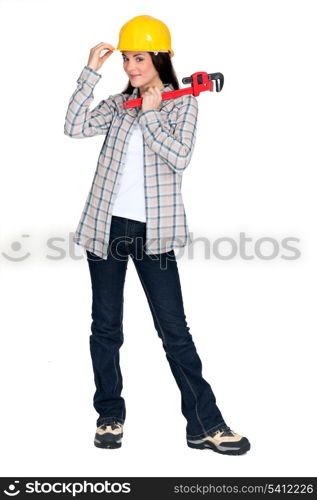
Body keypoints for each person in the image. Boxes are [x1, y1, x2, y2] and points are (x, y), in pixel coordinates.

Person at [64, 15, 250, 455]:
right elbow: (73, 127)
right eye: (127, 58)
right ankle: (109, 416)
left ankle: (205, 425)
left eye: (139, 58)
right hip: (105, 227)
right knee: (105, 328)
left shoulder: (183, 103)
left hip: (156, 234)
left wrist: (150, 116)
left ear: (160, 58)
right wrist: (90, 71)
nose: (130, 66)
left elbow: (180, 156)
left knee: (175, 332)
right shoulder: (115, 103)